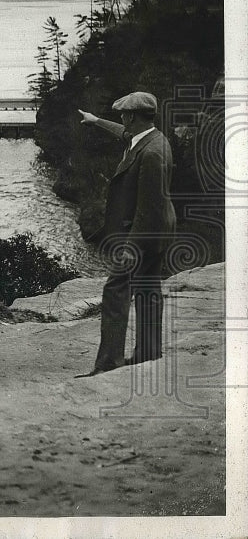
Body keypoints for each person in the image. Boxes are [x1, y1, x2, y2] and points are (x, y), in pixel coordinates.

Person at [76, 91, 176, 377]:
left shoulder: (151, 153)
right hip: (158, 231)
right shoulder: (152, 139)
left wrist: (131, 247)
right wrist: (96, 121)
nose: (121, 119)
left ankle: (108, 363)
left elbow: (150, 207)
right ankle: (148, 354)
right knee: (147, 290)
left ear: (132, 116)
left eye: (124, 115)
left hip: (146, 231)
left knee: (115, 290)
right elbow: (124, 134)